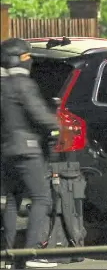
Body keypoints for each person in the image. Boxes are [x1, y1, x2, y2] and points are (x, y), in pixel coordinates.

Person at [1, 38, 60, 269]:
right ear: (19, 59)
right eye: (27, 56)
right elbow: (39, 115)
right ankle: (31, 253)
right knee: (41, 198)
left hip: (5, 151)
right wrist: (55, 126)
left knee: (12, 201)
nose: (30, 60)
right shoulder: (22, 83)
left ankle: (8, 255)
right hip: (26, 149)